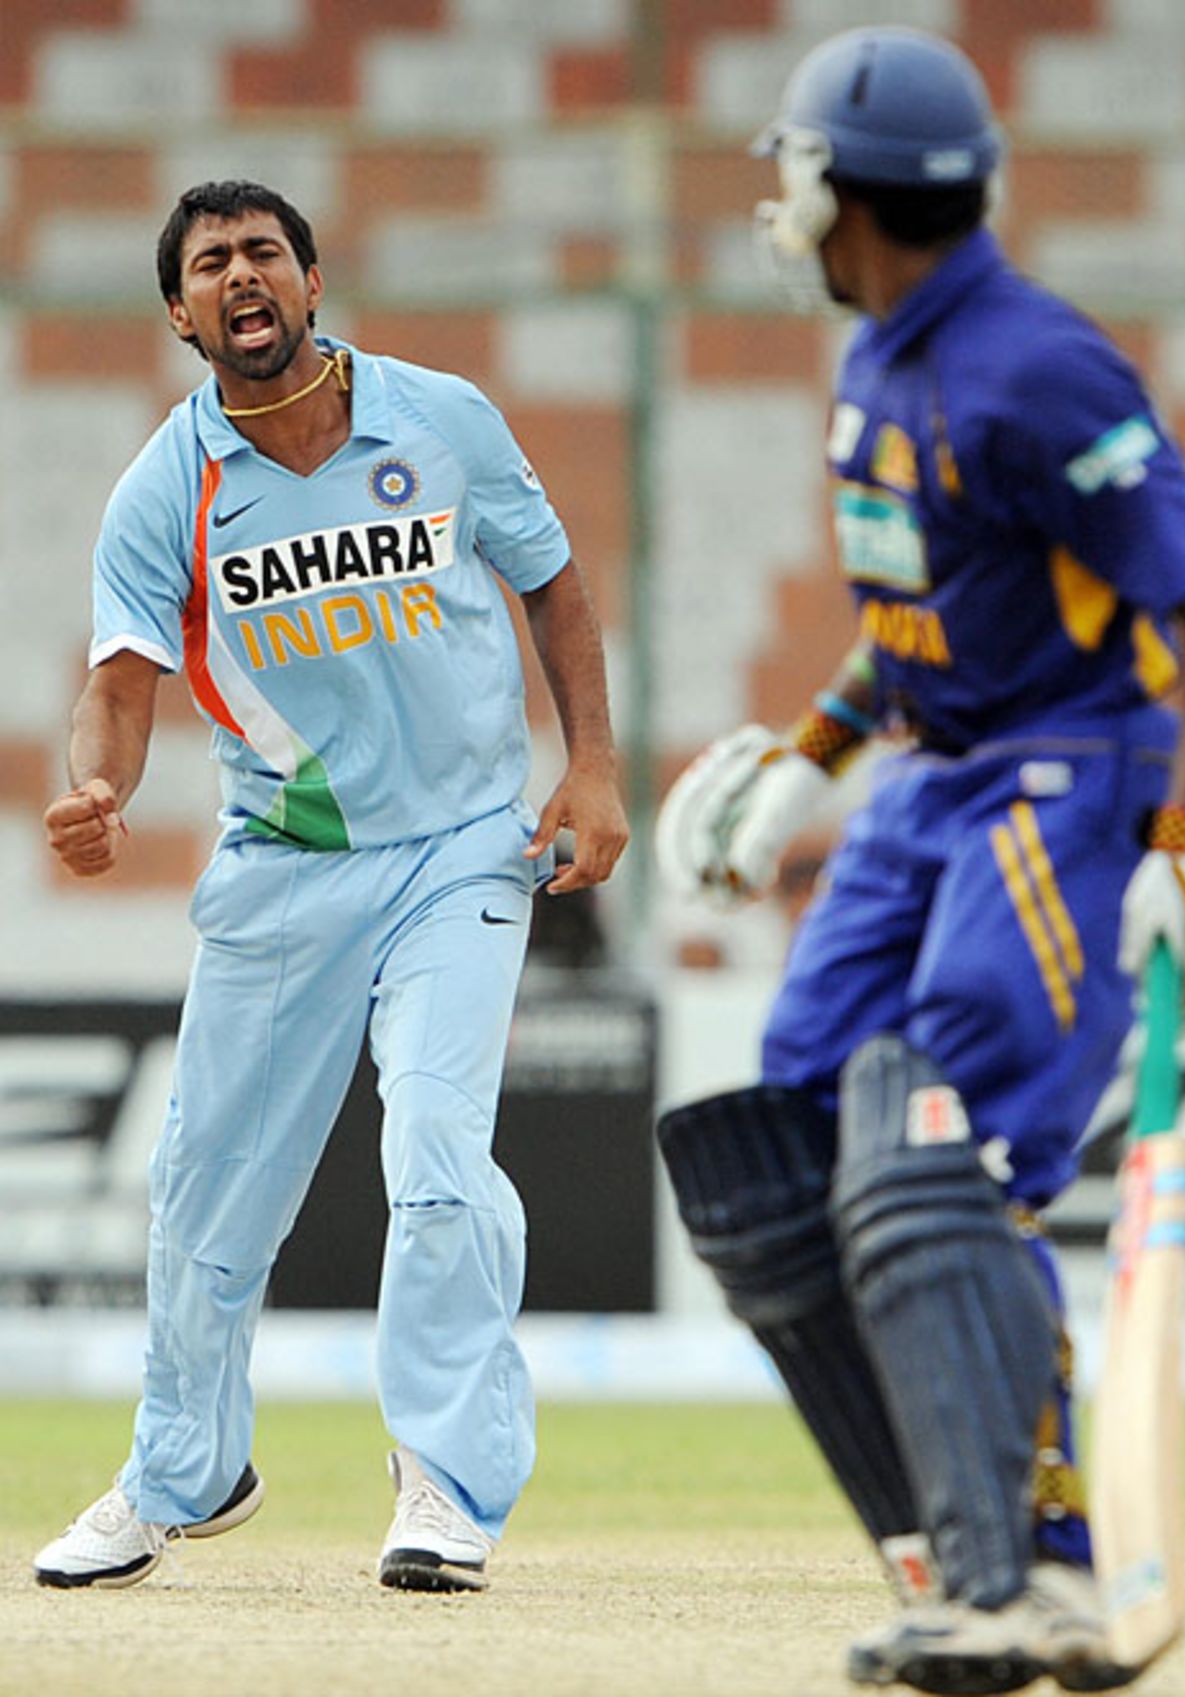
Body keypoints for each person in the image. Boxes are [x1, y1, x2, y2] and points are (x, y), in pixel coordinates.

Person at [655, 27, 1185, 1697]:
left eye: (793, 170)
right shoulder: (878, 355)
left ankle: (1034, 1578)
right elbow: (913, 626)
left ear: (850, 191)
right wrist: (807, 760)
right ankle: (963, 1544)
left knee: (930, 1138)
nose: (778, 201)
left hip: (1073, 773)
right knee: (780, 1145)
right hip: (932, 779)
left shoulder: (1032, 365)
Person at [35, 180, 628, 1594]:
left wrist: (593, 769)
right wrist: (100, 786)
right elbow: (120, 684)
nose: (241, 276)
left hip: (462, 848)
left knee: (434, 1152)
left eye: (262, 253)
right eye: (209, 264)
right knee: (202, 1197)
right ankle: (184, 1471)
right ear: (180, 313)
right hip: (285, 865)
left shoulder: (442, 418)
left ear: (311, 276)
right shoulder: (163, 489)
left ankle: (447, 1481)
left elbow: (551, 583)